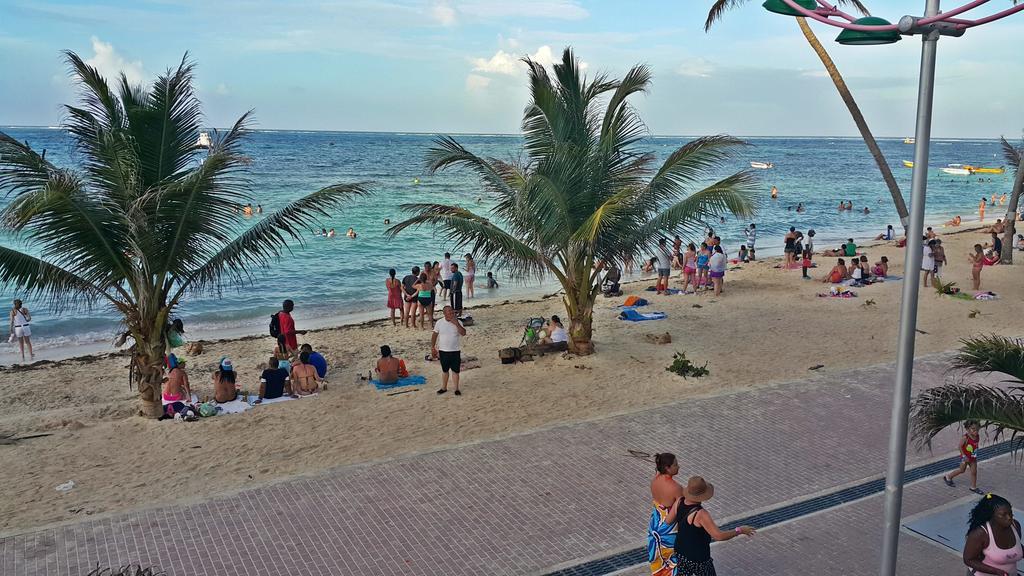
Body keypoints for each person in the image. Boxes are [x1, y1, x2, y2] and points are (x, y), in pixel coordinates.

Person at [672, 476, 755, 575]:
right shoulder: (701, 514)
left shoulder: (679, 501)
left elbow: (668, 521)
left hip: (680, 553)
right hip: (699, 559)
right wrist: (739, 530)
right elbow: (719, 536)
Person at [962, 493, 1023, 576]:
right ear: (992, 516)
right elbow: (968, 560)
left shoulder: (1015, 526)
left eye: (1010, 513)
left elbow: (1016, 546)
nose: (1009, 517)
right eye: (1003, 515)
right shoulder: (980, 534)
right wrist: (997, 572)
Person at [648, 453, 685, 576]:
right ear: (667, 468)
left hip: (655, 522)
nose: (678, 467)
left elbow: (658, 472)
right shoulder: (676, 488)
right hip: (668, 528)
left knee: (660, 561)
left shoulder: (655, 480)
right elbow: (672, 517)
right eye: (675, 465)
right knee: (673, 563)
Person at [431, 306, 466, 396]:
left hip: (455, 350)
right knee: (445, 370)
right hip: (443, 351)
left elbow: (463, 333)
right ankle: (444, 388)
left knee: (455, 371)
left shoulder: (459, 322)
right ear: (444, 313)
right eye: (449, 312)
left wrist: (456, 324)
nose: (452, 313)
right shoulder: (439, 322)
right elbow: (434, 335)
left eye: (452, 312)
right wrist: (432, 347)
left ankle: (456, 389)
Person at [943, 420, 982, 493]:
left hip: (973, 458)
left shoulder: (977, 437)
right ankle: (948, 477)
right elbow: (960, 447)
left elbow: (975, 445)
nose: (976, 431)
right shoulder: (965, 437)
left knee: (974, 472)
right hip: (965, 458)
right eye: (973, 429)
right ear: (968, 429)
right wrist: (964, 456)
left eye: (977, 429)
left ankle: (973, 487)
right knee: (962, 470)